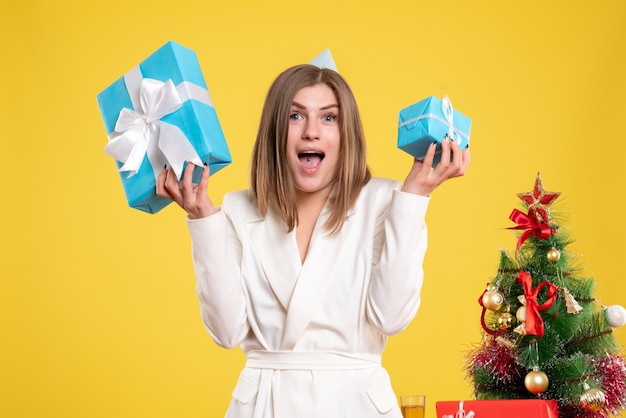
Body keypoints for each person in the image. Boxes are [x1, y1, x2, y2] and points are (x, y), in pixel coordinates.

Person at [156, 63, 470, 417]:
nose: (311, 133)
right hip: (264, 405)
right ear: (275, 131)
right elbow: (227, 333)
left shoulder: (385, 200)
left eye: (328, 118)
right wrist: (202, 219)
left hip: (355, 404)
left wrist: (415, 198)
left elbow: (390, 318)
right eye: (294, 116)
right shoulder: (234, 209)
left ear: (346, 133)